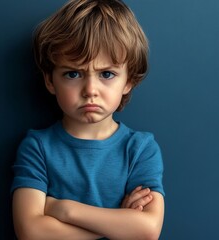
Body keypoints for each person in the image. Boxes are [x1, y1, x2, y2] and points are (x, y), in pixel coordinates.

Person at [11, 0, 165, 239]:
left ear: (128, 81)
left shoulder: (140, 149)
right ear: (50, 80)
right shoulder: (38, 148)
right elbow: (31, 232)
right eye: (73, 73)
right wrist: (117, 222)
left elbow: (147, 230)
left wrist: (63, 209)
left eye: (107, 74)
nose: (90, 89)